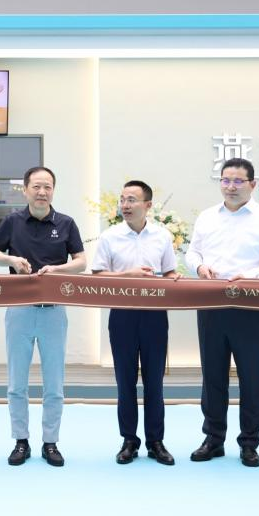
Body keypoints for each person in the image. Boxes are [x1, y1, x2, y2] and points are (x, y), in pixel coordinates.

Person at [184, 158, 259, 467]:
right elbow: (192, 252)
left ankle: (249, 443)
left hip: (250, 306)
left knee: (251, 377)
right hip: (212, 304)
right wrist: (199, 267)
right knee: (212, 375)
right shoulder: (207, 217)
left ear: (252, 185)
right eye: (226, 180)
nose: (231, 186)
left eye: (238, 181)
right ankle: (213, 439)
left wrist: (251, 277)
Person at [0, 166, 86, 467]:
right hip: (19, 309)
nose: (42, 192)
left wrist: (58, 269)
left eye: (48, 187)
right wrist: (11, 259)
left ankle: (50, 442)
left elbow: (81, 262)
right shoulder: (12, 221)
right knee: (17, 382)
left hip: (54, 311)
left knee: (54, 383)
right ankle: (21, 440)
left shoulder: (66, 223)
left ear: (53, 190)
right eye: (37, 186)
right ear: (26, 189)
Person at [90, 180, 179, 466]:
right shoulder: (110, 236)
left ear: (148, 205)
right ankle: (129, 440)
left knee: (155, 382)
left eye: (132, 200)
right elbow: (98, 276)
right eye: (123, 200)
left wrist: (172, 279)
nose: (125, 205)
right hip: (123, 315)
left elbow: (170, 273)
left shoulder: (162, 236)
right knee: (125, 381)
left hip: (155, 315)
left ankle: (156, 442)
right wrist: (127, 275)